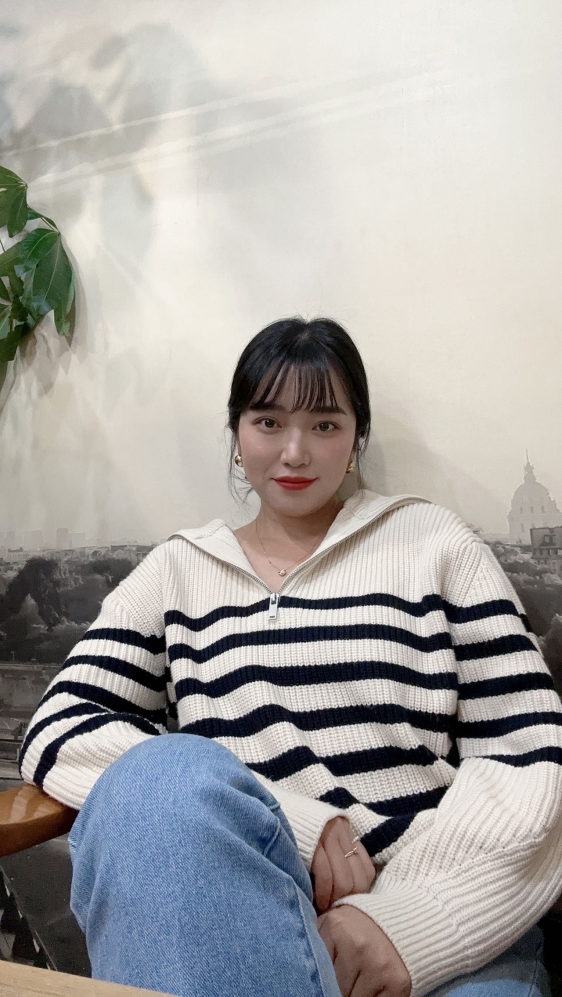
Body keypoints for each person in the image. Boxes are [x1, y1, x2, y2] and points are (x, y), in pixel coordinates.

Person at [19, 317, 562, 997]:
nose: (295, 452)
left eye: (325, 424)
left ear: (357, 437)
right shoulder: (177, 569)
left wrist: (409, 922)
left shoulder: (434, 543)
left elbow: (527, 752)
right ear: (237, 435)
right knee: (158, 776)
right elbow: (62, 727)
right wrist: (287, 822)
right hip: (238, 917)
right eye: (268, 422)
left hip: (441, 925)